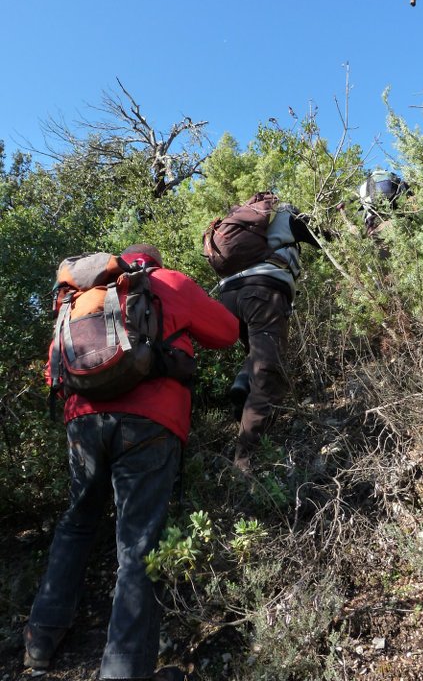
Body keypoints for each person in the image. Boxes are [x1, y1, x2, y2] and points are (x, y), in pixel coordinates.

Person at [24, 244, 239, 681]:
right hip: (150, 423)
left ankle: (40, 644)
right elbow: (227, 331)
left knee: (77, 522)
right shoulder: (168, 282)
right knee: (138, 547)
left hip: (82, 422)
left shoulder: (79, 297)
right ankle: (123, 671)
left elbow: (54, 371)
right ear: (153, 263)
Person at [217, 203, 320, 472]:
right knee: (268, 376)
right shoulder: (289, 215)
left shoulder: (247, 223)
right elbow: (323, 238)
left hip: (229, 295)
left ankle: (242, 383)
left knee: (257, 354)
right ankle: (245, 460)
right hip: (263, 292)